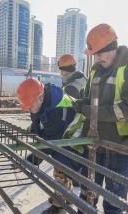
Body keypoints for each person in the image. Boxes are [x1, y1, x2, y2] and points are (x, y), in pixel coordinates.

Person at [65, 24, 128, 214]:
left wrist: (91, 112)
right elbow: (90, 96)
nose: (97, 58)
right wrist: (81, 103)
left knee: (114, 196)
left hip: (121, 146)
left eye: (100, 53)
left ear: (113, 47)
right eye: (94, 54)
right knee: (88, 186)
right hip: (96, 141)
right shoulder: (96, 70)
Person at [17, 77, 86, 214]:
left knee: (60, 169)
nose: (29, 109)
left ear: (40, 99)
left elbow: (49, 143)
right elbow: (36, 118)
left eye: (29, 106)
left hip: (73, 140)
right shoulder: (43, 99)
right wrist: (35, 131)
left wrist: (34, 158)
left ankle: (60, 205)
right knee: (58, 164)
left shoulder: (58, 110)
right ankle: (67, 195)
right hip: (61, 135)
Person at [46, 53, 88, 199]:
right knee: (76, 159)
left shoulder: (72, 87)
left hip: (74, 130)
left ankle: (61, 201)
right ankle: (73, 181)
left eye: (61, 70)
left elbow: (63, 112)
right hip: (82, 130)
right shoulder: (80, 81)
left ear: (65, 69)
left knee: (61, 164)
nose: (60, 73)